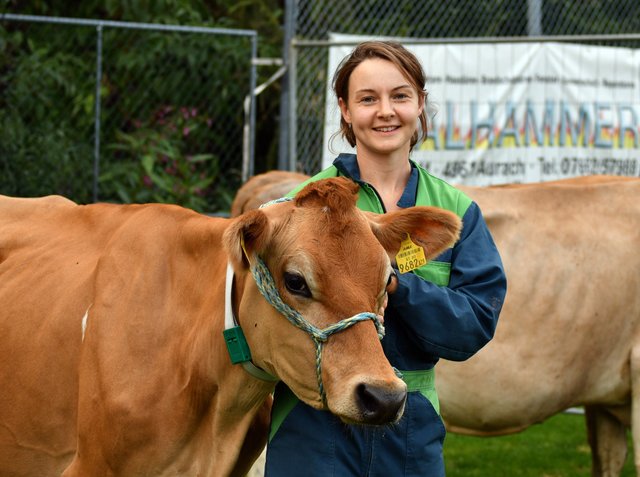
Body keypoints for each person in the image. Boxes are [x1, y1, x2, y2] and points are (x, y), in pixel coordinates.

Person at [264, 40, 507, 477]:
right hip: (312, 424)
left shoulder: (454, 211)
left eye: (399, 96)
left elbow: (474, 323)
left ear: (420, 104)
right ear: (344, 109)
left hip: (410, 425)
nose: (385, 111)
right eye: (367, 99)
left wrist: (393, 281)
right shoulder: (295, 209)